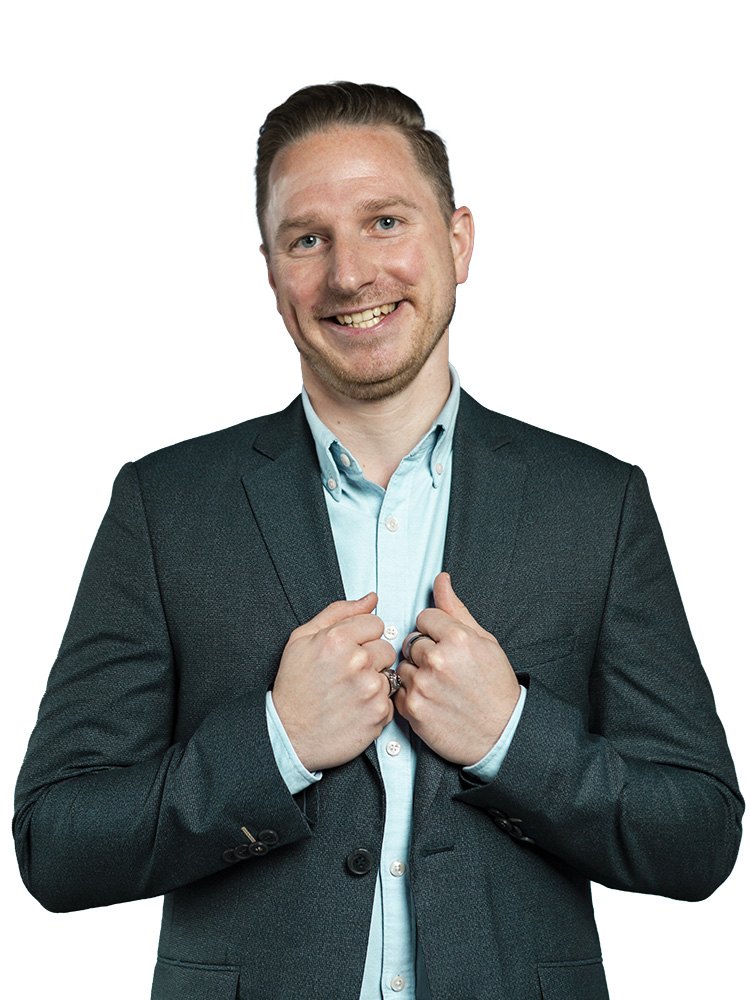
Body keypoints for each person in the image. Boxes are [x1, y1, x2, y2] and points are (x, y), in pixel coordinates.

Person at [14, 82, 742, 1000]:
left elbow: (700, 835)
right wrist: (273, 744)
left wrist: (513, 739)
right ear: (271, 272)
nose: (350, 275)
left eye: (386, 222)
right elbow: (56, 840)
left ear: (459, 241)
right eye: (306, 239)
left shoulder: (597, 504)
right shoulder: (165, 506)